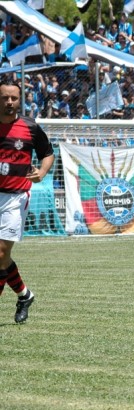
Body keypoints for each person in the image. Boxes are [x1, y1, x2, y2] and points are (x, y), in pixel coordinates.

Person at [0, 81, 55, 323]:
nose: (9, 102)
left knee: (1, 252)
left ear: (19, 100)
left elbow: (48, 153)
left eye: (13, 98)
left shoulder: (30, 128)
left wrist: (42, 172)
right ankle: (25, 295)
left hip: (16, 198)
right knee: (1, 258)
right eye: (5, 98)